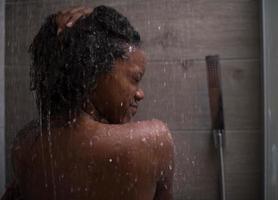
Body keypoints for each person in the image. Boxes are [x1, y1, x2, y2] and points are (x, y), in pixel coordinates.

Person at [1, 5, 174, 200]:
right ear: (94, 70)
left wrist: (86, 36)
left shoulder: (25, 146)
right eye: (135, 78)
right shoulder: (154, 140)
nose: (140, 93)